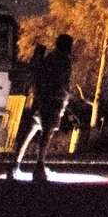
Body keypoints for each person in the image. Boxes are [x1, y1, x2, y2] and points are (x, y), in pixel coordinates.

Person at [14, 34, 73, 181]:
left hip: (41, 99)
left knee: (31, 131)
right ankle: (39, 167)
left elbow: (39, 76)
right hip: (54, 100)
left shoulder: (48, 58)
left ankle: (15, 164)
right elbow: (63, 82)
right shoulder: (64, 60)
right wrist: (65, 99)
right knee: (47, 134)